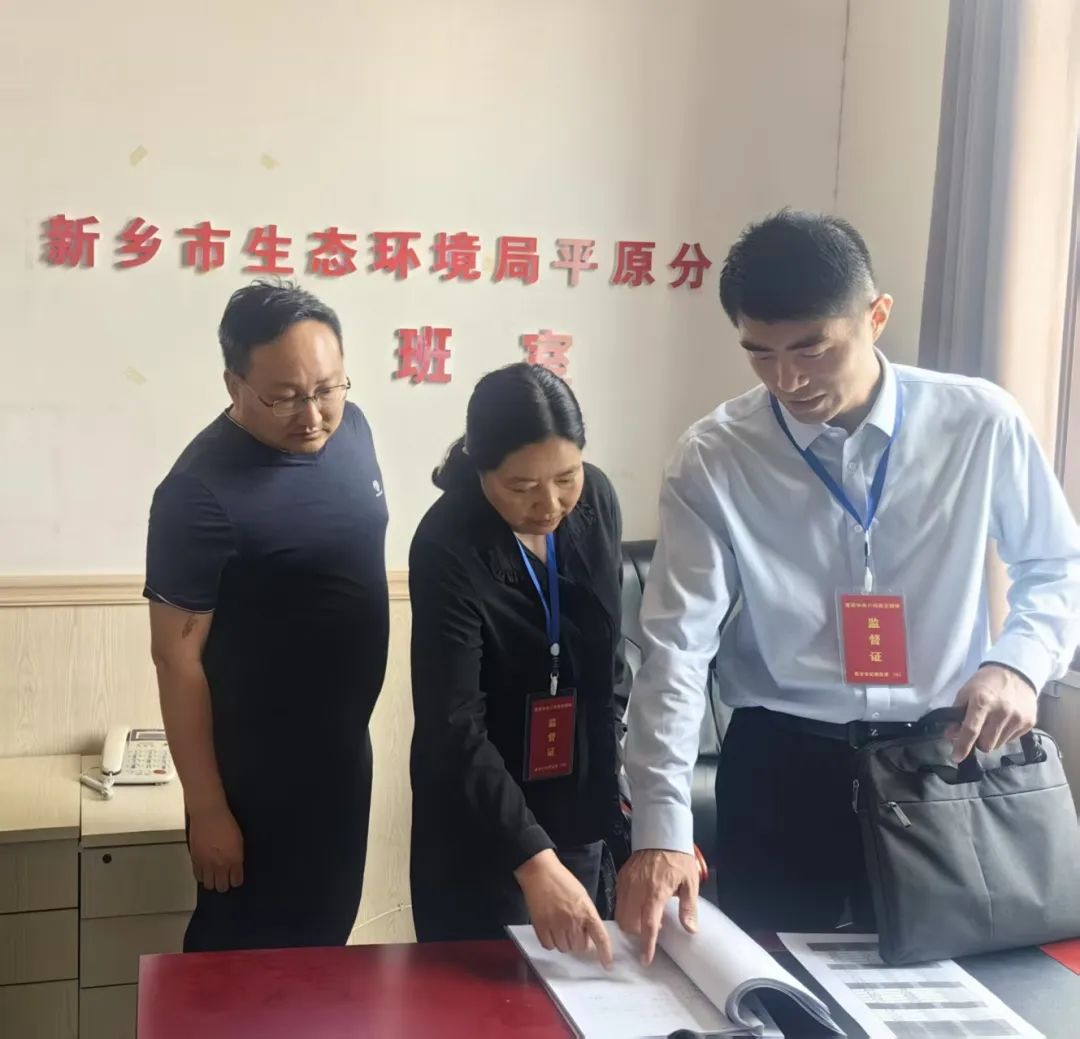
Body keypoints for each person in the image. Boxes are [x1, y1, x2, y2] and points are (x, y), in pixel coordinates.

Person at [616, 210, 1080, 962]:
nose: (787, 379)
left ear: (876, 316)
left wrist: (1019, 664)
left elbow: (1056, 563)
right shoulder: (716, 456)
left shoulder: (977, 422)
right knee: (777, 988)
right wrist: (661, 831)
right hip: (782, 769)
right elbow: (675, 647)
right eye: (760, 353)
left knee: (964, 987)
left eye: (812, 348)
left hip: (942, 758)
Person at [144, 281, 389, 952]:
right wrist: (207, 809)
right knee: (243, 959)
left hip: (343, 757)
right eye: (285, 396)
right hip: (256, 780)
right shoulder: (197, 492)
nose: (312, 415)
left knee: (324, 942)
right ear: (234, 383)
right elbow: (175, 658)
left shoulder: (353, 428)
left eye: (327, 389)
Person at [409, 363, 627, 964]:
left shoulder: (596, 500)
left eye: (566, 477)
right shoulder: (447, 541)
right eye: (521, 486)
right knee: (482, 993)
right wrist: (532, 859)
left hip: (576, 801)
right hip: (480, 816)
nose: (549, 504)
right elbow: (454, 724)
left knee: (581, 988)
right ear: (481, 467)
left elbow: (608, 662)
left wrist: (627, 803)